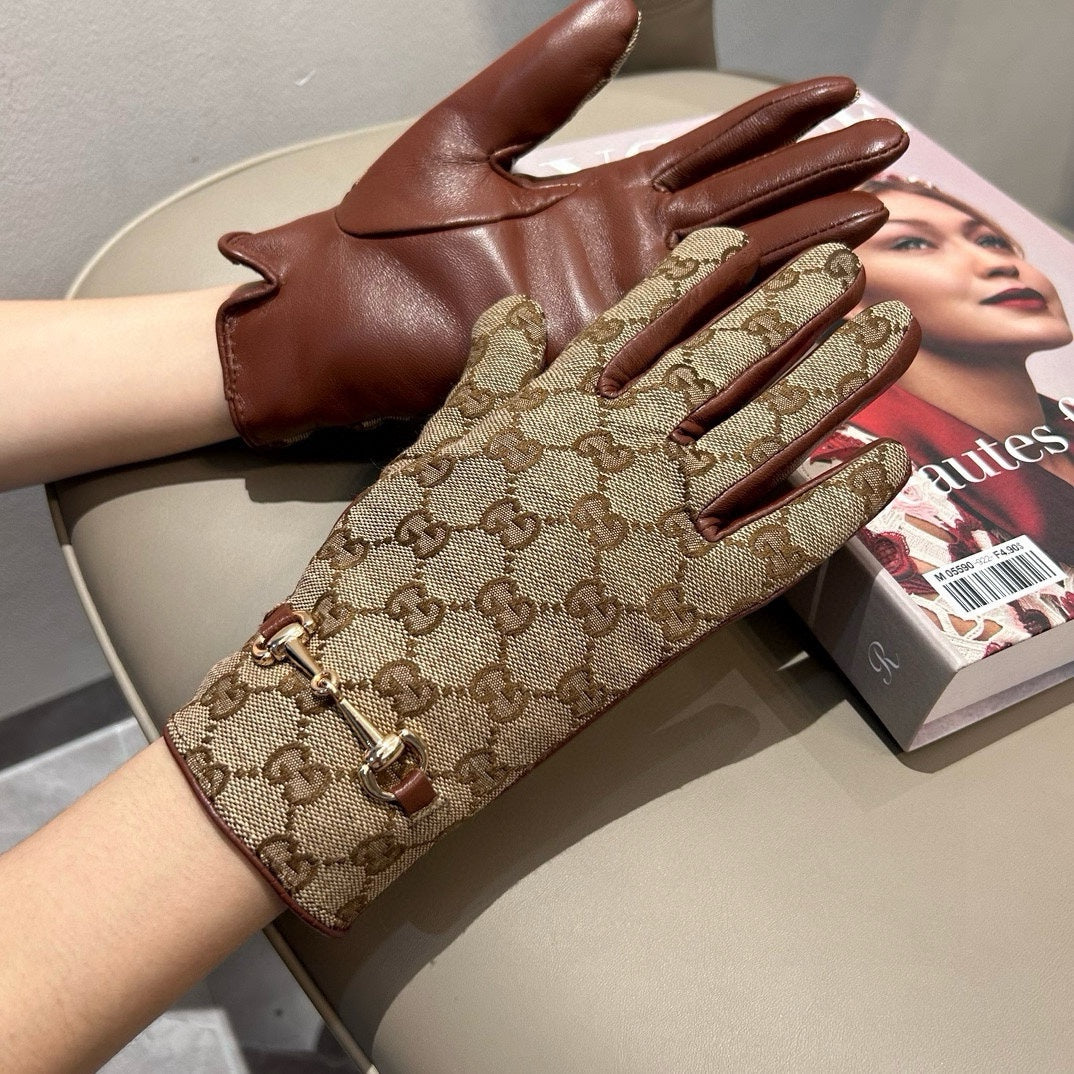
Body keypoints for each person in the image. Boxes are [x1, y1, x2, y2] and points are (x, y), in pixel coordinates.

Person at [810, 176, 1074, 658]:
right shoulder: (852, 467)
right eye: (913, 243)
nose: (998, 263)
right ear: (847, 298)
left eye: (991, 240)